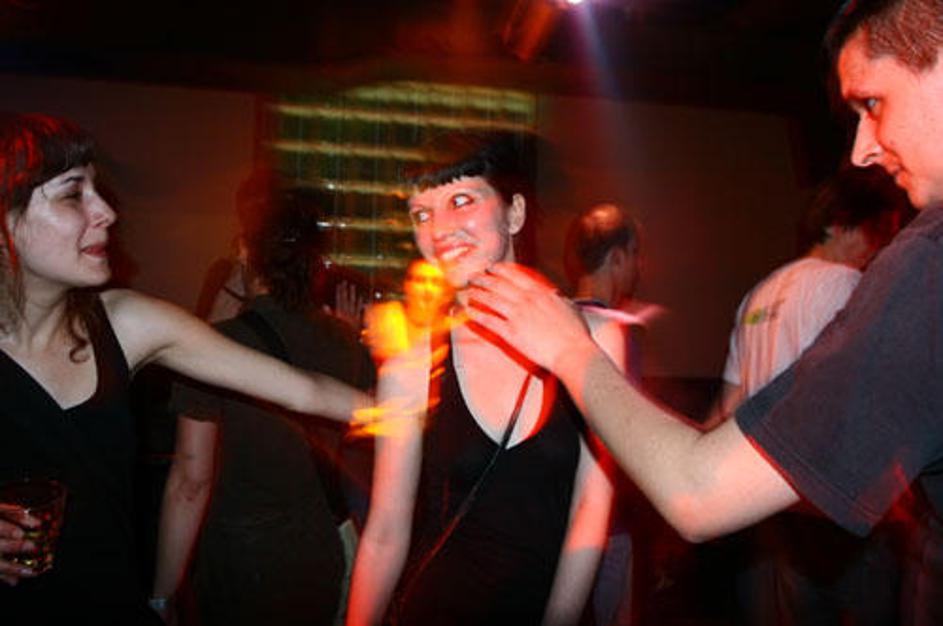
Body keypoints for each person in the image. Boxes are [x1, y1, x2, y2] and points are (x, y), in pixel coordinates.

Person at [463, 2, 943, 624]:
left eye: (872, 104)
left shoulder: (821, 282)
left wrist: (569, 349)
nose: (860, 151)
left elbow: (704, 474)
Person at [0, 113, 367, 625]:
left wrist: (421, 404)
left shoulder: (127, 322)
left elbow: (306, 392)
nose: (106, 211)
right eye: (72, 194)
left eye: (97, 190)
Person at [345, 131, 623, 626]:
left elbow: (591, 503)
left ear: (514, 213)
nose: (438, 230)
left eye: (461, 200)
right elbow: (385, 532)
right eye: (421, 214)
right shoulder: (414, 360)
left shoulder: (594, 336)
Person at [152, 187, 376, 626]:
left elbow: (191, 482)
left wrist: (161, 595)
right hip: (320, 548)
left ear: (244, 250)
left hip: (242, 558)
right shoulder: (344, 339)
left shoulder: (217, 345)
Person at [714, 164, 907, 626]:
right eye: (877, 231)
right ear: (839, 225)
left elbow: (726, 411)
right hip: (838, 500)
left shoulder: (758, 294)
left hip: (777, 502)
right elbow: (872, 398)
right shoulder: (846, 285)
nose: (880, 247)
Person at [564, 202, 645, 626]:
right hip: (605, 527)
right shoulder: (613, 332)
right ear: (616, 258)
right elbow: (626, 438)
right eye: (634, 255)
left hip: (560, 520)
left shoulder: (555, 322)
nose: (639, 267)